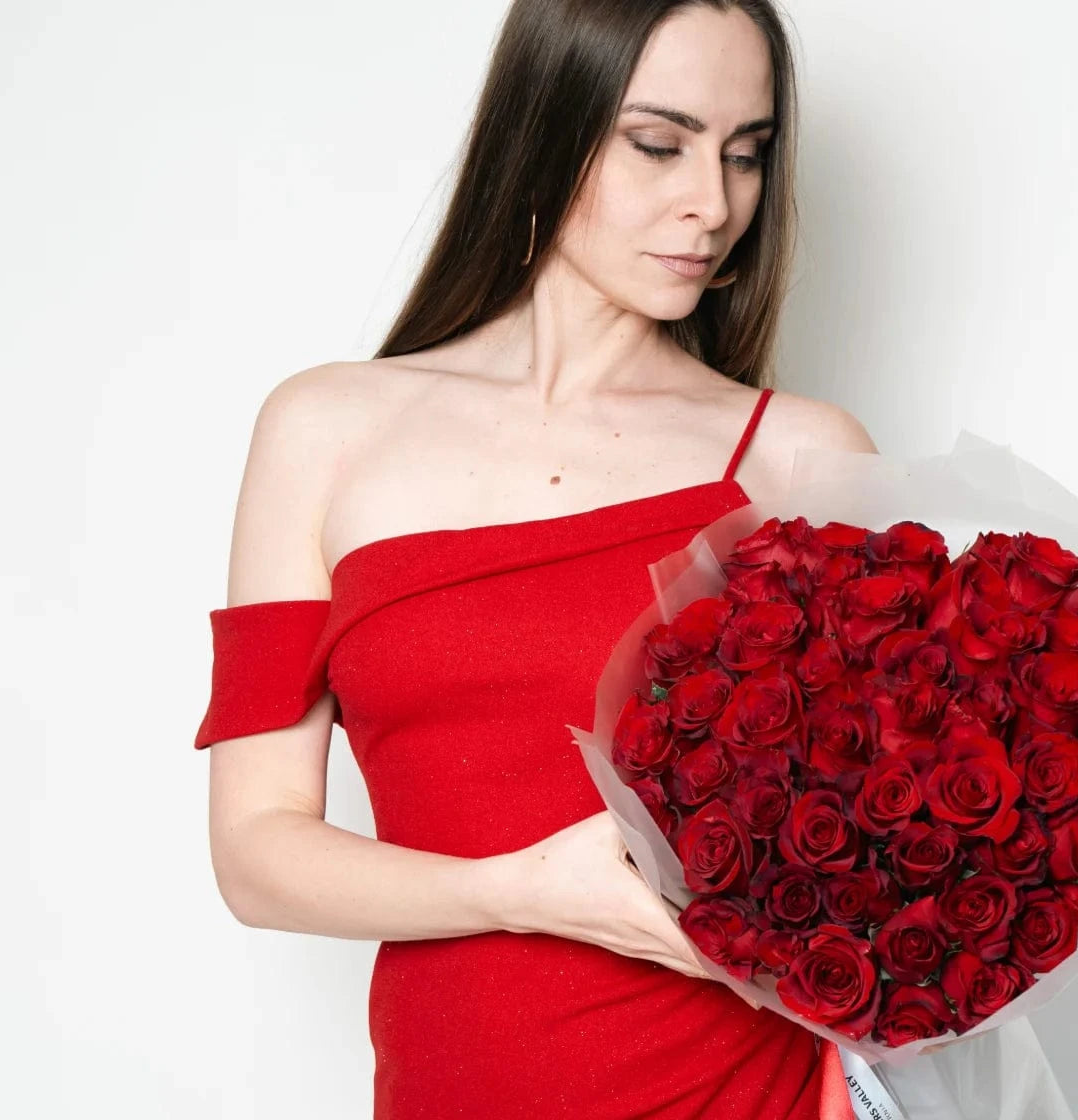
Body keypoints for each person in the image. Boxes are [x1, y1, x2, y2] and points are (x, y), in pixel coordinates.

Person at [193, 1, 880, 1117]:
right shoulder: (321, 430)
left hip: (743, 1089)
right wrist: (514, 891)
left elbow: (879, 856)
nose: (712, 203)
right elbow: (255, 850)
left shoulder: (801, 457)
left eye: (744, 154)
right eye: (657, 143)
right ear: (541, 128)